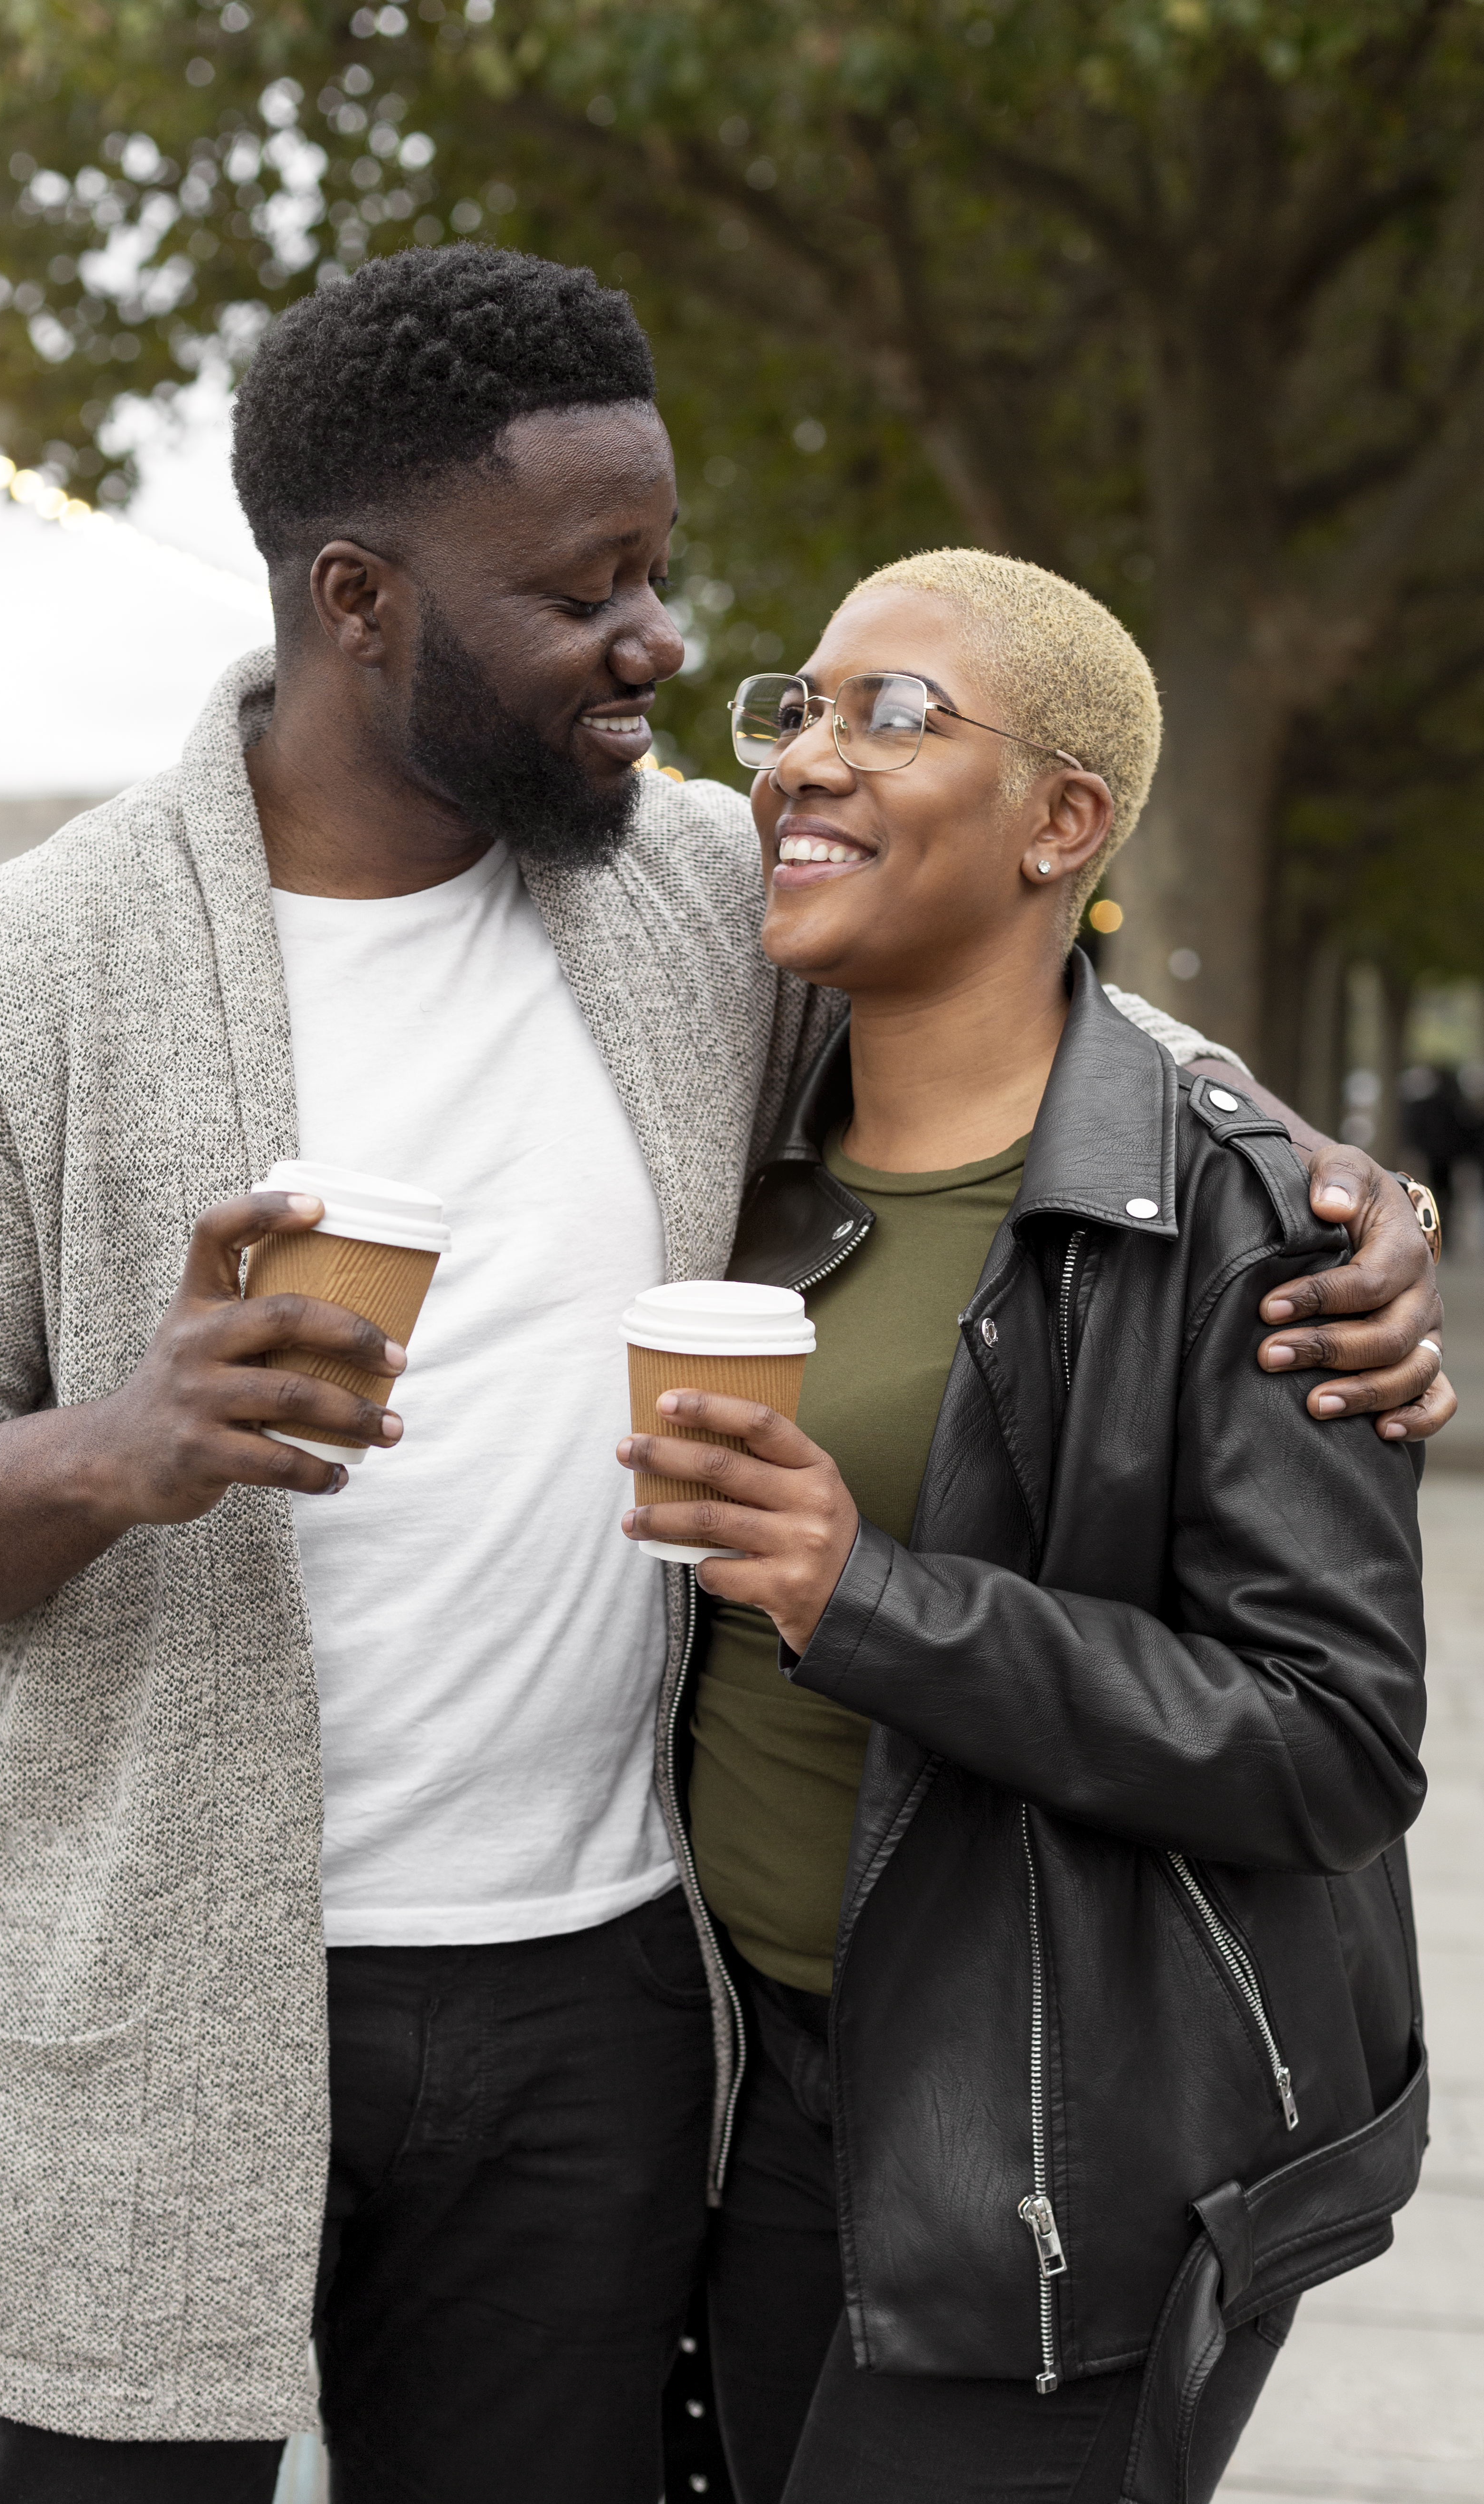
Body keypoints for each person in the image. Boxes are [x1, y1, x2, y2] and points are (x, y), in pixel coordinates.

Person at [0, 254, 1445, 2504]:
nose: (663, 643)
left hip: (603, 2005)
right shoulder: (11, 978)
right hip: (142, 2025)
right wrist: (114, 1448)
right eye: (590, 592)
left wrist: (1313, 1178)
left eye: (659, 570)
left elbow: (1026, 1007)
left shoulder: (689, 897)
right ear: (361, 598)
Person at [617, 549, 1430, 2504]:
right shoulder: (736, 1153)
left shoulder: (1238, 1221)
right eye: (794, 707)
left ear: (1064, 819)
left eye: (893, 714)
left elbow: (1331, 1732)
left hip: (1047, 2154)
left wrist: (861, 1594)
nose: (806, 756)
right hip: (744, 2096)